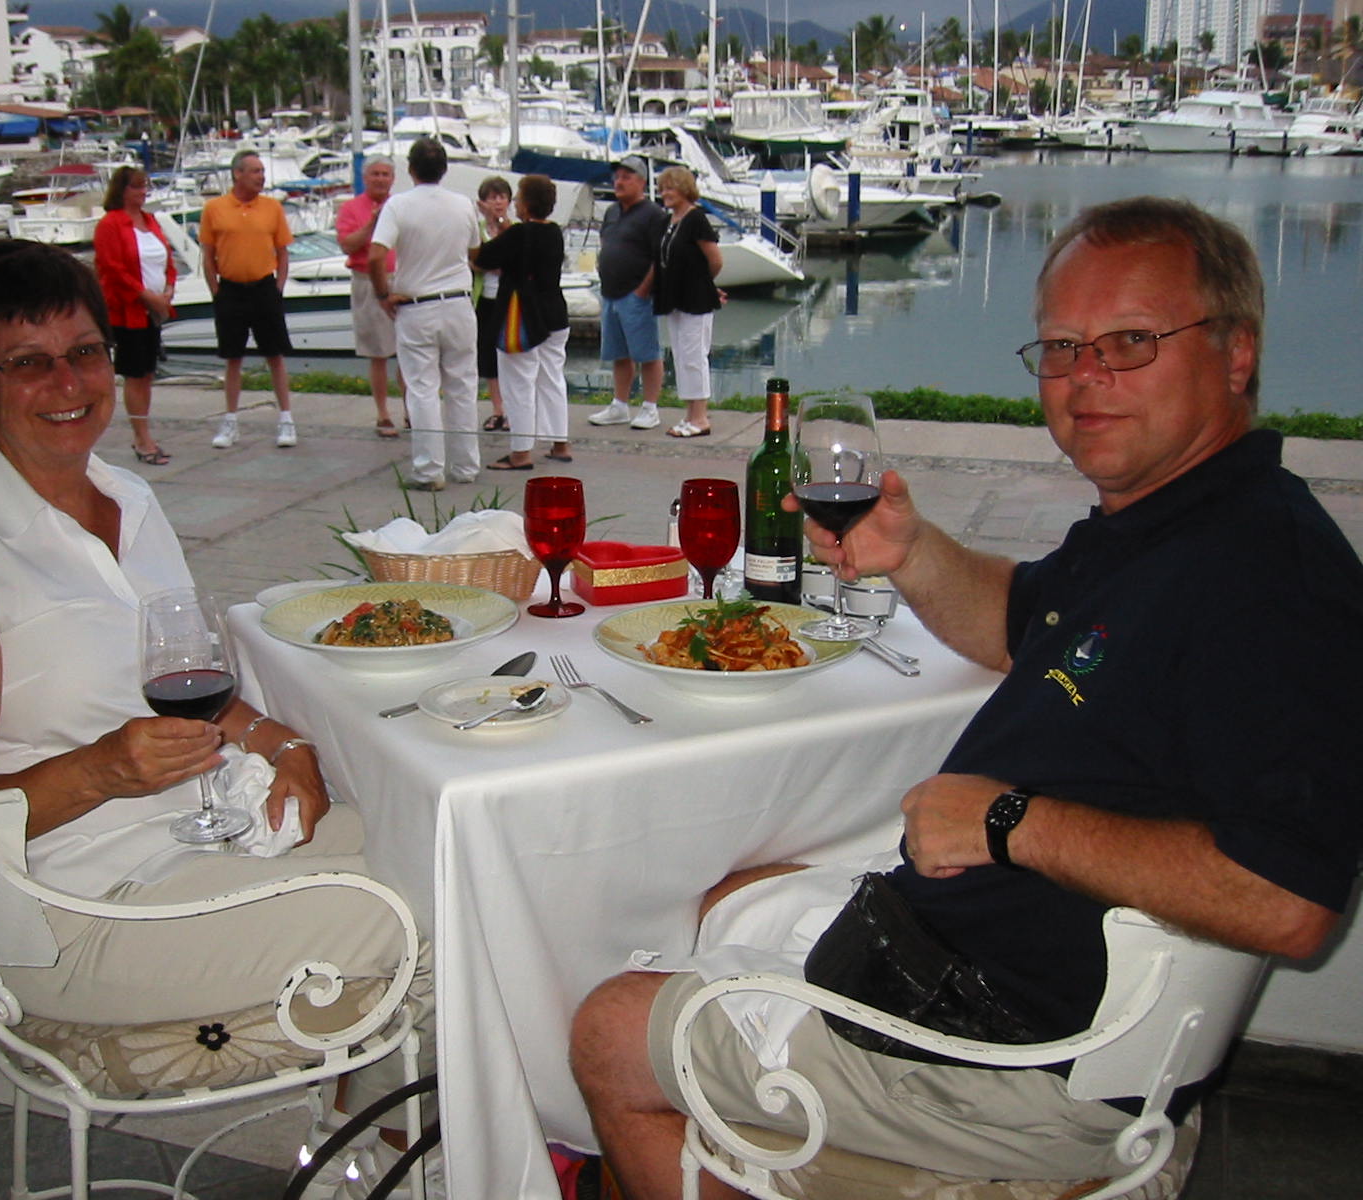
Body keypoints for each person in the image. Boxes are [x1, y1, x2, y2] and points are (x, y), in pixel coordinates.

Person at [569, 196, 1363, 1198]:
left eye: (1131, 340)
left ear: (1235, 354)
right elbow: (1022, 624)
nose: (1087, 378)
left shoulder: (1269, 580)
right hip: (968, 964)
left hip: (1016, 1052)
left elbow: (1287, 902)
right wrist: (907, 552)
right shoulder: (1169, 524)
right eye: (1063, 348)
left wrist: (1007, 823)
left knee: (607, 1033)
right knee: (732, 892)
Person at [0, 239, 434, 1196]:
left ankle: (359, 1143)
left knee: (446, 841)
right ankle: (391, 1154)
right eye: (29, 362)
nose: (69, 382)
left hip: (212, 836)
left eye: (86, 352)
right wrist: (101, 771)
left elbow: (194, 677)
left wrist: (281, 744)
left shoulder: (127, 499)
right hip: (82, 913)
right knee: (436, 914)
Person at [368, 137, 482, 493]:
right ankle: (466, 465)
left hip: (417, 304)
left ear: (411, 169)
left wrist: (383, 294)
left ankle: (429, 469)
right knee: (462, 385)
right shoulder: (463, 205)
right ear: (444, 169)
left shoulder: (398, 206)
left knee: (422, 388)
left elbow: (375, 255)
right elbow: (475, 249)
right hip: (459, 302)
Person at [198, 149, 297, 450]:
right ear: (237, 174)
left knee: (275, 356)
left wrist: (278, 288)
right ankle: (230, 421)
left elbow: (282, 251)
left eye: (262, 171)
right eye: (255, 171)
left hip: (264, 288)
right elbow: (208, 254)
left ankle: (286, 418)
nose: (261, 176)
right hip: (230, 290)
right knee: (233, 358)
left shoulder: (272, 208)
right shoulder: (214, 208)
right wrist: (216, 291)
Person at [474, 173, 571, 471]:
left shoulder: (519, 235)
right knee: (552, 378)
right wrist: (505, 228)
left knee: (518, 383)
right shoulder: (554, 232)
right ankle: (559, 441)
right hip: (554, 312)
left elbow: (484, 258)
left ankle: (520, 451)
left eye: (517, 197)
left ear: (526, 205)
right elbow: (521, 247)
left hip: (523, 317)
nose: (513, 201)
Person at [92, 165, 177, 465]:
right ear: (122, 190)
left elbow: (167, 259)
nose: (142, 193)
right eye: (136, 187)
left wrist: (167, 290)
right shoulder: (110, 224)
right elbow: (113, 268)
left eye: (145, 187)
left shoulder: (150, 221)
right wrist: (145, 296)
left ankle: (145, 433)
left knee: (147, 372)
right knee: (135, 372)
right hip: (127, 311)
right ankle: (141, 438)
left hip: (153, 309)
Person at [587, 155, 668, 432]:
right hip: (609, 292)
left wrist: (644, 289)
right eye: (617, 177)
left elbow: (660, 255)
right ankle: (619, 405)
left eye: (626, 177)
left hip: (637, 295)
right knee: (618, 353)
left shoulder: (653, 214)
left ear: (641, 182)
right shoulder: (611, 212)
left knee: (647, 352)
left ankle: (650, 407)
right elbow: (605, 241)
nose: (619, 182)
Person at [652, 166, 723, 439]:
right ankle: (688, 413)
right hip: (674, 298)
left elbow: (714, 259)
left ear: (684, 189)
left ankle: (700, 417)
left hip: (696, 298)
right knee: (680, 355)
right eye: (662, 188)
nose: (665, 193)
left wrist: (704, 283)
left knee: (695, 356)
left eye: (670, 188)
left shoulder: (696, 219)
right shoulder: (669, 221)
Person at [335, 157, 403, 439]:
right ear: (366, 177)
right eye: (375, 174)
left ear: (393, 178)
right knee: (377, 352)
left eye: (385, 174)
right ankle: (383, 413)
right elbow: (347, 245)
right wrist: (372, 225)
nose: (380, 179)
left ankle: (413, 411)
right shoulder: (351, 209)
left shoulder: (401, 205)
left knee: (407, 351)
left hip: (401, 280)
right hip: (367, 281)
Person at [472, 175, 512, 434]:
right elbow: (471, 259)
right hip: (483, 299)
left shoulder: (514, 228)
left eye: (502, 197)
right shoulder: (476, 229)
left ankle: (512, 409)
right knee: (487, 355)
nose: (497, 202)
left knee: (510, 355)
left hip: (509, 300)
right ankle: (497, 408)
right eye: (492, 197)